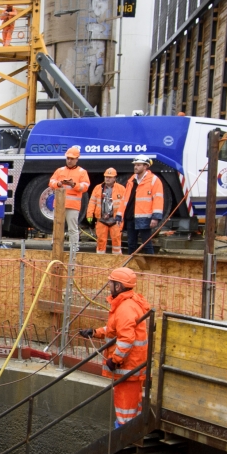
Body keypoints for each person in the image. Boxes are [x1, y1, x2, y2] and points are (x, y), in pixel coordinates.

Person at [83, 266, 151, 428]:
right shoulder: (129, 303)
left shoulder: (125, 308)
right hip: (133, 366)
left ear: (118, 286)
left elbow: (126, 339)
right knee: (133, 406)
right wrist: (94, 332)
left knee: (125, 410)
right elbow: (115, 330)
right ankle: (131, 428)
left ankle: (125, 434)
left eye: (111, 283)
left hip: (128, 368)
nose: (109, 286)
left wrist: (115, 360)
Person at [48, 146, 91, 253]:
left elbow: (85, 186)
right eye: (68, 158)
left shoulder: (82, 172)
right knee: (57, 227)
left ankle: (74, 248)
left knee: (72, 228)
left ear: (77, 159)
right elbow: (51, 182)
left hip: (73, 205)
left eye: (72, 158)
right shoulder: (60, 170)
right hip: (59, 204)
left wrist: (74, 184)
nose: (69, 160)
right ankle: (55, 246)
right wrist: (58, 183)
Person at [122, 157, 165, 256]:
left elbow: (158, 199)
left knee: (147, 244)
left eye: (138, 165)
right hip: (131, 217)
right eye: (135, 165)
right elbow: (125, 200)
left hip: (144, 218)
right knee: (131, 244)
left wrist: (155, 217)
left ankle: (151, 265)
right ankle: (130, 267)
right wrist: (120, 215)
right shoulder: (131, 180)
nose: (135, 167)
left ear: (145, 166)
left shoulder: (154, 180)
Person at [86, 166, 126, 254]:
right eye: (106, 177)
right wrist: (89, 214)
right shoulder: (97, 188)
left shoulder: (121, 189)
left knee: (116, 240)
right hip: (101, 219)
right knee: (101, 240)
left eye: (110, 177)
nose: (107, 179)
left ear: (115, 178)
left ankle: (117, 259)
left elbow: (125, 204)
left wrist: (122, 216)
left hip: (115, 220)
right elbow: (92, 202)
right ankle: (100, 259)